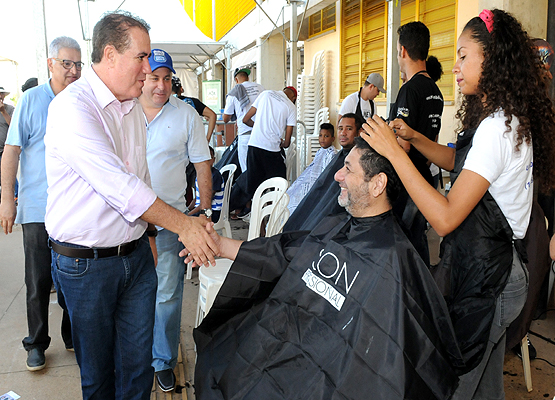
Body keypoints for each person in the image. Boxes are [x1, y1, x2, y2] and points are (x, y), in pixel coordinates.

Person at [363, 9, 555, 398]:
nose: (455, 67)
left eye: (464, 55)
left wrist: (395, 154)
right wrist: (414, 138)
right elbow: (460, 164)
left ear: (494, 58)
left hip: (492, 281)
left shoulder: (497, 129)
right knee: (486, 389)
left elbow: (447, 217)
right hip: (500, 272)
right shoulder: (503, 119)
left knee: (451, 385)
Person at [190, 137, 464, 400]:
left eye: (348, 169)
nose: (337, 176)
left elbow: (390, 357)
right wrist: (220, 245)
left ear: (377, 184)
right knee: (223, 364)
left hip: (330, 375)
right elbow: (280, 253)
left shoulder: (392, 260)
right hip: (285, 346)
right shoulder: (334, 226)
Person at [43, 12, 218, 399]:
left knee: (137, 370)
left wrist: (152, 233)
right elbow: (120, 188)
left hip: (136, 257)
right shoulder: (73, 108)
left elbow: (140, 180)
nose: (148, 68)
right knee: (100, 376)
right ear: (110, 54)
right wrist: (184, 225)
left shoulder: (131, 108)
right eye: (141, 58)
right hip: (86, 267)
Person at [0, 36, 82, 372]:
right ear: (50, 63)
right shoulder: (32, 101)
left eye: (78, 64)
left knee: (73, 279)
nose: (73, 70)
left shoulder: (82, 100)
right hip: (37, 208)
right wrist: (7, 199)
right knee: (37, 281)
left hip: (76, 208)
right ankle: (36, 343)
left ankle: (73, 334)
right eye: (66, 63)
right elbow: (12, 151)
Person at [139, 48, 213, 393]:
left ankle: (163, 360)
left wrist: (205, 208)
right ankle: (135, 355)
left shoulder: (187, 115)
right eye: (155, 77)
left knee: (168, 294)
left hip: (170, 220)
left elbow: (202, 164)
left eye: (167, 79)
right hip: (126, 223)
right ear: (142, 76)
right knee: (133, 292)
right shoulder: (122, 109)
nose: (161, 85)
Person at [390, 20, 445, 267]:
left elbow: (404, 145)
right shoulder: (436, 91)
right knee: (416, 234)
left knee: (402, 237)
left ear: (402, 50)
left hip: (407, 179)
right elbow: (433, 141)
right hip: (426, 175)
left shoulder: (409, 90)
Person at [283, 113, 363, 232]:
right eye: (340, 129)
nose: (343, 133)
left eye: (349, 129)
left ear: (359, 132)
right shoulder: (338, 156)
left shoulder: (359, 161)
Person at [242, 86, 297, 204]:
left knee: (254, 186)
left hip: (254, 145)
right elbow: (287, 143)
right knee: (279, 185)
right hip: (271, 150)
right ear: (293, 97)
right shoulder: (291, 107)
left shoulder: (265, 94)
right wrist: (282, 142)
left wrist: (258, 127)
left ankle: (255, 217)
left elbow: (245, 119)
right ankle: (273, 215)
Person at [286, 122, 337, 214]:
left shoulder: (332, 154)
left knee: (297, 201)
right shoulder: (320, 151)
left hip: (316, 184)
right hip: (307, 181)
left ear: (333, 138)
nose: (322, 139)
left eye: (326, 136)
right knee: (289, 195)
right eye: (320, 135)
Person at [222, 67, 264, 173]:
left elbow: (226, 118)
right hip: (261, 134)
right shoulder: (260, 88)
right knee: (260, 168)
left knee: (246, 170)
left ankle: (250, 189)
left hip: (245, 134)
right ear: (248, 77)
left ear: (236, 79)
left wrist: (236, 115)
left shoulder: (233, 93)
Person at [172, 76, 217, 141]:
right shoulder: (192, 102)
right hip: (193, 141)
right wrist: (207, 139)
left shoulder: (164, 104)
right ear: (181, 89)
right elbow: (212, 115)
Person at [189, 146, 224, 223]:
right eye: (204, 157)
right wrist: (187, 210)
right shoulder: (199, 175)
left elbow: (206, 202)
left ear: (214, 159)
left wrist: (188, 215)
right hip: (200, 209)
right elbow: (196, 199)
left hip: (211, 212)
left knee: (184, 222)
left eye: (209, 158)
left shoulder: (215, 175)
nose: (206, 161)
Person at [0, 86, 14, 192]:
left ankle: (15, 196)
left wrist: (3, 112)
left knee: (8, 175)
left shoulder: (10, 109)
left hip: (5, 150)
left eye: (2, 94)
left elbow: (14, 127)